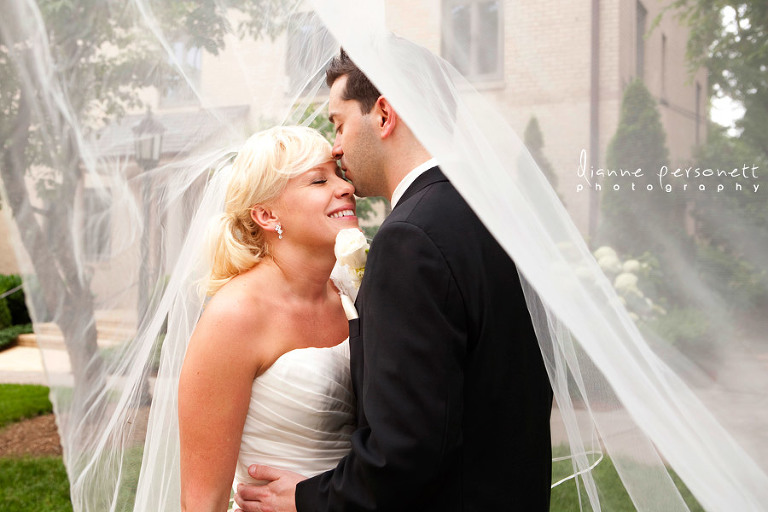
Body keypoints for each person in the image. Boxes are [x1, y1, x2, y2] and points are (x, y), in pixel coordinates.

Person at [233, 49, 553, 512]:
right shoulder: (493, 214)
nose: (336, 147)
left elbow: (405, 449)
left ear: (384, 114)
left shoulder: (410, 239)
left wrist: (306, 498)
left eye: (338, 123)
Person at [177, 125, 360, 511]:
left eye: (339, 174)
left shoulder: (353, 290)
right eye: (318, 180)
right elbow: (201, 500)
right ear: (266, 214)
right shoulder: (235, 316)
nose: (344, 187)